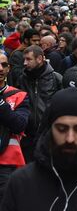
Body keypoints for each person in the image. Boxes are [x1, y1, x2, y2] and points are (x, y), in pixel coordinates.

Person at [18, 45, 62, 162]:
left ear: (40, 59)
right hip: (28, 136)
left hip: (49, 135)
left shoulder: (56, 79)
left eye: (28, 59)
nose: (25, 63)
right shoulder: (22, 79)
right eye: (24, 59)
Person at [0, 53, 29, 202]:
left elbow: (19, 125)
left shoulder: (19, 95)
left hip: (7, 164)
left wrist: (0, 103)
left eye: (4, 65)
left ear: (8, 69)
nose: (0, 68)